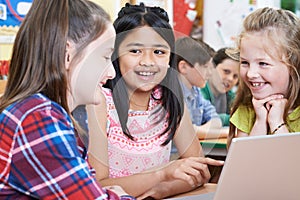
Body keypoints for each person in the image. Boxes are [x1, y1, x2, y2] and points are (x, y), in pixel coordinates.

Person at [87, 3, 224, 199]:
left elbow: (199, 170)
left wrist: (161, 190)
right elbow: (99, 186)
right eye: (135, 51)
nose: (148, 62)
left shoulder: (168, 98)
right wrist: (162, 175)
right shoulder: (99, 100)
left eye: (159, 52)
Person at [0, 0, 133, 199]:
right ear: (67, 55)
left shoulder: (44, 114)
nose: (112, 73)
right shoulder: (37, 120)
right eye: (105, 57)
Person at [228, 7, 300, 147]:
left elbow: (294, 165)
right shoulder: (247, 110)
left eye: (263, 63)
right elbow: (243, 164)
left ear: (293, 65)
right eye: (245, 63)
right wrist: (260, 122)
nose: (250, 74)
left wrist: (277, 123)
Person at [175, 36, 229, 139]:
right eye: (205, 67)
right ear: (183, 67)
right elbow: (186, 133)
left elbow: (215, 119)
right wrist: (225, 132)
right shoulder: (172, 95)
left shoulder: (195, 91)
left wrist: (200, 131)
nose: (209, 73)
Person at [201, 47, 240, 126]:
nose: (230, 79)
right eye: (226, 71)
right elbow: (203, 118)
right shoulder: (199, 90)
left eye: (235, 76)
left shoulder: (230, 96)